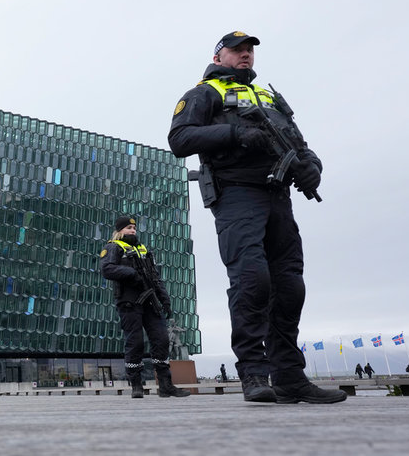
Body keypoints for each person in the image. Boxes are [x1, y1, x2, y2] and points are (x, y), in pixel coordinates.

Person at [168, 31, 346, 405]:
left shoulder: (268, 97)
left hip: (278, 197)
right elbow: (180, 139)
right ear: (219, 57)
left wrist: (312, 166)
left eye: (249, 50)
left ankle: (290, 378)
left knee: (290, 286)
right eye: (237, 50)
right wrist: (236, 134)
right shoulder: (204, 93)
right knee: (252, 280)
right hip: (236, 194)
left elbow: (300, 143)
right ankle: (253, 373)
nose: (245, 55)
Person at [100, 216, 190, 398]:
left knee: (162, 340)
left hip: (150, 300)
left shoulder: (142, 249)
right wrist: (131, 273)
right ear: (120, 231)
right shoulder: (113, 247)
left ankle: (165, 385)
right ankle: (136, 385)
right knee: (135, 342)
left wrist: (165, 299)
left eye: (134, 227)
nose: (132, 230)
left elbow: (155, 277)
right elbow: (107, 269)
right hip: (129, 301)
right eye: (128, 228)